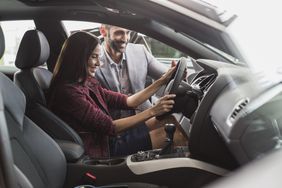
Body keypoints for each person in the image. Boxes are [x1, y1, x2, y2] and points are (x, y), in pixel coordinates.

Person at [48, 31, 187, 158]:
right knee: (176, 135)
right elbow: (111, 127)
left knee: (170, 120)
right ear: (79, 57)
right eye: (94, 57)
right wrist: (153, 111)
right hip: (104, 148)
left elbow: (128, 101)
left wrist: (162, 80)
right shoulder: (68, 93)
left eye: (99, 57)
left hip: (111, 138)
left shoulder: (87, 82)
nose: (98, 63)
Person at [96, 24, 171, 119]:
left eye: (128, 33)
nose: (125, 38)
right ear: (103, 31)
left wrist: (174, 72)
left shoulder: (140, 51)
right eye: (119, 33)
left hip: (145, 117)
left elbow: (165, 75)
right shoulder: (94, 60)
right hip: (116, 124)